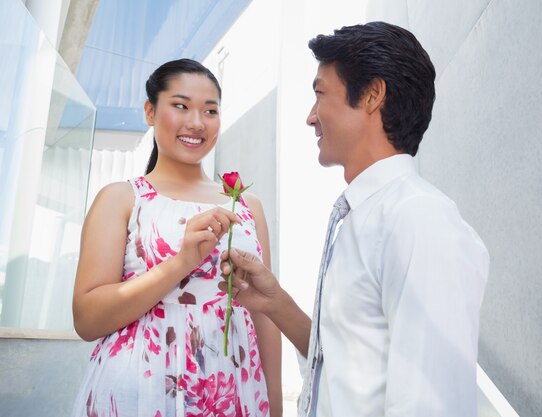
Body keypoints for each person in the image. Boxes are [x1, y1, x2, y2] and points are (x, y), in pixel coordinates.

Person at [219, 22, 489, 417]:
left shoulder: (418, 220)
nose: (310, 117)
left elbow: (432, 405)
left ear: (372, 96)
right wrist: (275, 302)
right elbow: (348, 367)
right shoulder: (364, 216)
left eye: (320, 94)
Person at [71, 59, 282, 417]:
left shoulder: (247, 205)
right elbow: (87, 320)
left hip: (233, 389)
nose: (196, 123)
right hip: (140, 390)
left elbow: (264, 311)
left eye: (210, 110)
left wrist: (274, 402)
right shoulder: (122, 198)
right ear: (150, 111)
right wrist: (181, 262)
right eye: (180, 106)